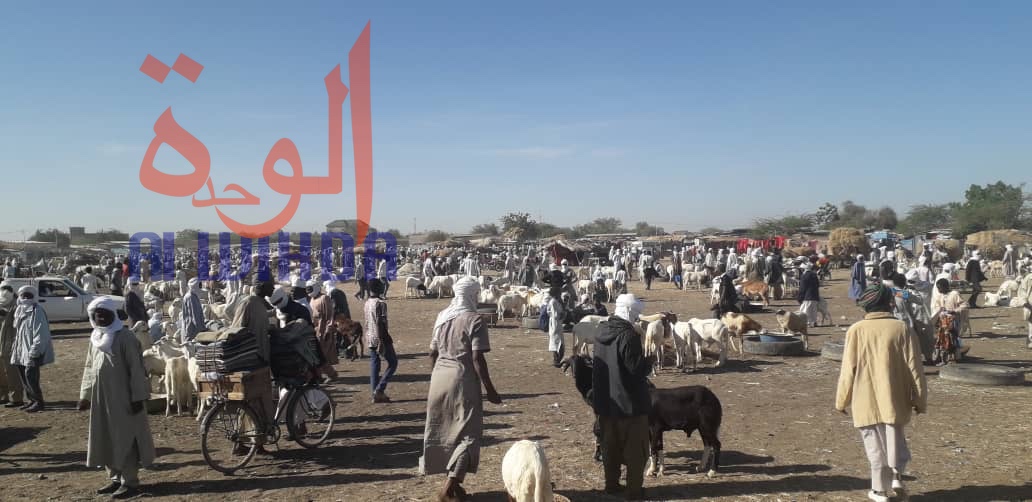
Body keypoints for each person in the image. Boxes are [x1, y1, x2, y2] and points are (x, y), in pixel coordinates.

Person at [835, 283, 927, 502]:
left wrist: (841, 401)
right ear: (889, 303)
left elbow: (848, 370)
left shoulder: (856, 330)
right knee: (895, 438)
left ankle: (879, 491)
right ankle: (896, 474)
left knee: (874, 445)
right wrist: (920, 400)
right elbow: (915, 368)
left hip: (864, 399)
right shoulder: (901, 328)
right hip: (895, 398)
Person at [420, 277, 502, 502]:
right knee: (468, 435)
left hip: (439, 378)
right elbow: (477, 358)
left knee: (445, 431)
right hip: (462, 380)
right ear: (472, 295)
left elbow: (431, 353)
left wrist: (435, 377)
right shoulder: (475, 319)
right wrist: (490, 389)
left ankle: (455, 487)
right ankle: (449, 486)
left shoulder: (442, 317)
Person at [79, 297, 155, 499]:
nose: (100, 316)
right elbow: (89, 367)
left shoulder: (126, 338)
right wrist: (85, 395)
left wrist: (138, 397)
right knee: (105, 436)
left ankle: (130, 482)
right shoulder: (95, 338)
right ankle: (114, 478)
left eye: (104, 313)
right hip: (101, 399)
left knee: (126, 438)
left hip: (124, 399)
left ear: (114, 314)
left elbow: (137, 370)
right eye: (97, 314)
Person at [593, 294, 653, 500]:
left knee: (610, 449)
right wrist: (649, 360)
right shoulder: (628, 336)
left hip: (606, 404)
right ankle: (634, 490)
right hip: (630, 405)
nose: (637, 318)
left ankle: (611, 485)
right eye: (635, 314)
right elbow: (635, 370)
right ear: (628, 312)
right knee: (636, 451)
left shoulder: (601, 331)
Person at [11, 286, 54, 413]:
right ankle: (31, 400)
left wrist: (35, 351)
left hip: (32, 351)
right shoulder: (19, 310)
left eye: (28, 296)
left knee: (31, 376)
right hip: (21, 349)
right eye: (23, 295)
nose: (25, 298)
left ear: (33, 297)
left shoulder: (37, 311)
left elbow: (41, 334)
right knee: (24, 376)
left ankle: (39, 402)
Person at [364, 279, 397, 403]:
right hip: (381, 337)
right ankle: (379, 389)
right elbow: (380, 322)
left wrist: (369, 337)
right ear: (378, 288)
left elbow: (367, 322)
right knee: (393, 363)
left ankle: (375, 394)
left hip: (370, 337)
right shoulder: (381, 303)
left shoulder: (367, 303)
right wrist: (381, 340)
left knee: (374, 366)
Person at [930, 279, 967, 365]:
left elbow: (964, 305)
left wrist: (955, 311)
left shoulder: (955, 294)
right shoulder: (941, 296)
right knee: (942, 340)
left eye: (940, 288)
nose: (939, 290)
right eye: (938, 288)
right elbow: (937, 306)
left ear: (945, 286)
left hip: (952, 321)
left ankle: (952, 359)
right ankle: (944, 360)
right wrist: (940, 311)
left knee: (951, 340)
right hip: (943, 321)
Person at [308, 280, 339, 381]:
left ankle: (327, 375)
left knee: (322, 356)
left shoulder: (324, 298)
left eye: (310, 288)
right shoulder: (312, 299)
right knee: (320, 356)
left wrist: (328, 331)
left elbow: (330, 316)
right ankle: (328, 375)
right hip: (316, 331)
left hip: (324, 331)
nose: (308, 291)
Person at [0, 284, 24, 407]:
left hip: (11, 344)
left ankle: (17, 398)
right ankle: (3, 395)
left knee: (12, 372)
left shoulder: (17, 306)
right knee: (1, 373)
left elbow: (17, 326)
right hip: (1, 343)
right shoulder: (2, 303)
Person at [180, 278, 205, 343]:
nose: (200, 287)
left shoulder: (193, 296)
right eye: (199, 285)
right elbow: (194, 315)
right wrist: (201, 329)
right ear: (194, 285)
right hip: (191, 328)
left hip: (193, 327)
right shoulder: (190, 297)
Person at [797, 262, 821, 327]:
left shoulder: (804, 276)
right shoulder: (814, 275)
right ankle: (814, 322)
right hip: (815, 296)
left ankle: (808, 323)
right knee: (814, 311)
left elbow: (802, 288)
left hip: (807, 297)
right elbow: (818, 285)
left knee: (805, 311)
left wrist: (799, 297)